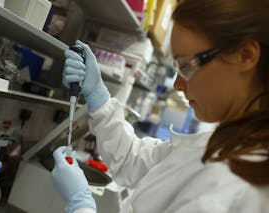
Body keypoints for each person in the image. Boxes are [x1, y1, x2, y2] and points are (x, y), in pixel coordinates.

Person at [51, 0, 269, 212]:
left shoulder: (238, 189)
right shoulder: (222, 144)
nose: (177, 84)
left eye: (186, 66)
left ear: (245, 55)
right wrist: (99, 98)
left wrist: (81, 206)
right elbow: (133, 160)